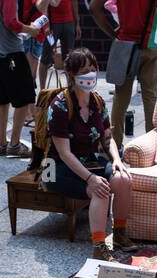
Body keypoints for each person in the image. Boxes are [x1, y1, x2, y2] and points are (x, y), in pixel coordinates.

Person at [45, 47, 136, 260]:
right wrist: (90, 178)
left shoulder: (97, 101)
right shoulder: (60, 106)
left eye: (93, 69)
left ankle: (120, 234)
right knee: (100, 189)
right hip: (57, 168)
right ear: (71, 75)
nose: (90, 74)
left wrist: (116, 160)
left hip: (89, 161)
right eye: (84, 70)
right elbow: (65, 154)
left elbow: (107, 138)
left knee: (123, 179)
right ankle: (99, 246)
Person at [90, 0, 157, 149]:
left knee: (121, 97)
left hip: (125, 45)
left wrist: (113, 34)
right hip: (153, 43)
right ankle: (151, 147)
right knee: (150, 97)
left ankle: (114, 145)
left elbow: (93, 8)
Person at [0, 0, 37, 157]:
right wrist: (30, 30)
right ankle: (14, 144)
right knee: (23, 100)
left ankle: (1, 143)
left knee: (3, 99)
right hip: (11, 52)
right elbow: (10, 22)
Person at [40, 0, 78, 89]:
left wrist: (77, 23)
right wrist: (46, 25)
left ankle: (70, 89)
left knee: (69, 58)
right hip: (53, 23)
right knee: (45, 57)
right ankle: (42, 90)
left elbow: (74, 3)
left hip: (69, 22)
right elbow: (44, 5)